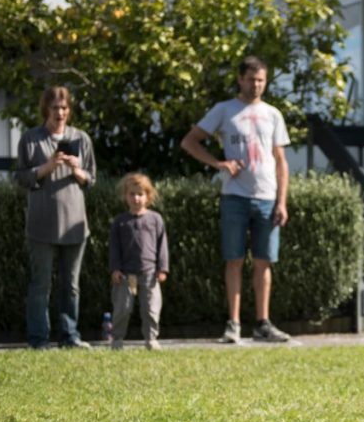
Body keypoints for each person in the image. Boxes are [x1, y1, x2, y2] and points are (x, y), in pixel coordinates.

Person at [180, 55, 291, 344]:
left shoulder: (273, 114)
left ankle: (263, 323)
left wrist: (282, 201)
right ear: (240, 79)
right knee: (234, 259)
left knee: (264, 261)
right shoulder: (225, 110)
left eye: (261, 80)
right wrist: (219, 163)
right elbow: (190, 141)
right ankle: (234, 323)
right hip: (235, 196)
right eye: (251, 79)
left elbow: (281, 161)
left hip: (267, 196)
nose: (256, 85)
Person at [14, 85, 97, 349]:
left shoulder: (81, 138)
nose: (59, 113)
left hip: (74, 225)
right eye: (54, 108)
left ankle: (70, 336)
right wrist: (47, 167)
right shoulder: (31, 139)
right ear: (45, 109)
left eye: (64, 108)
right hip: (41, 224)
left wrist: (77, 170)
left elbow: (91, 179)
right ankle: (39, 339)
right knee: (41, 285)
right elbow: (21, 177)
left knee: (70, 286)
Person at [109, 173, 169, 350]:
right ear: (125, 196)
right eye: (132, 194)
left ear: (148, 196)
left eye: (140, 194)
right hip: (127, 275)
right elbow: (114, 248)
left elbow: (162, 245)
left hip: (150, 274)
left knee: (151, 308)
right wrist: (115, 269)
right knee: (123, 308)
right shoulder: (120, 222)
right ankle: (117, 339)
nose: (136, 198)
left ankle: (151, 339)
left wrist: (162, 268)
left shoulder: (155, 219)